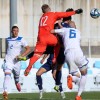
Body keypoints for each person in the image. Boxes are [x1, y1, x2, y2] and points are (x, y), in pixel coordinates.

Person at [24, 4, 83, 76]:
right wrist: (76, 11)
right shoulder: (53, 14)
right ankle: (54, 58)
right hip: (49, 36)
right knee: (58, 43)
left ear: (43, 11)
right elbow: (65, 14)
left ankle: (28, 67)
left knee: (37, 54)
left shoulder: (42, 18)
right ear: (49, 8)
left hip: (41, 38)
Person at [51, 24, 88, 100]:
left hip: (68, 53)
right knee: (84, 74)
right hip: (77, 52)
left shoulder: (64, 30)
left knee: (75, 73)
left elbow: (52, 31)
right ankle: (78, 95)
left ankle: (72, 78)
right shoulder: (78, 31)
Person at [2, 25, 30, 100]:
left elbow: (28, 49)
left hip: (17, 62)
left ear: (18, 31)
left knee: (16, 77)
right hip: (8, 61)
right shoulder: (8, 39)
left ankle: (16, 82)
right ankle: (5, 92)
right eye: (14, 31)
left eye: (17, 31)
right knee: (7, 76)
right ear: (11, 31)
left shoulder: (21, 39)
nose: (15, 32)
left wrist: (21, 55)